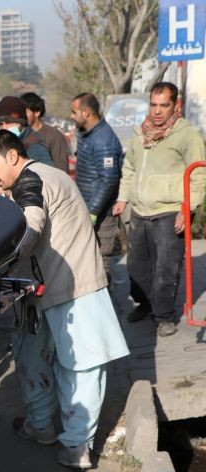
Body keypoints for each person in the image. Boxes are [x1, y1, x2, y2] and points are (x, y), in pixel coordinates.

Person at [0, 129, 129, 469]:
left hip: (74, 289)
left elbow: (31, 225)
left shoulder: (30, 181)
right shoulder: (45, 176)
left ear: (12, 157)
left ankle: (76, 446)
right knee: (31, 355)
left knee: (80, 367)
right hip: (41, 287)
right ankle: (40, 425)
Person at [114, 82, 206, 337]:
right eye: (153, 105)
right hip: (140, 210)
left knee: (166, 268)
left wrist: (187, 209)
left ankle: (164, 316)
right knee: (136, 267)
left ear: (176, 105)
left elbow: (198, 176)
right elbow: (130, 167)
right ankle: (146, 304)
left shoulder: (187, 135)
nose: (157, 111)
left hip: (170, 210)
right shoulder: (140, 132)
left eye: (163, 105)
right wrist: (123, 198)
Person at [70, 92, 124, 282]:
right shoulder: (89, 135)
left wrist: (93, 211)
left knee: (101, 263)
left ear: (86, 113)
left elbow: (108, 179)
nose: (71, 116)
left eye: (74, 112)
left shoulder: (103, 140)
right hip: (90, 208)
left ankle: (106, 308)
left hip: (101, 213)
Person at [0, 96, 53, 167]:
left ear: (21, 122)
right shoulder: (3, 142)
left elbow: (46, 174)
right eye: (0, 124)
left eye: (9, 122)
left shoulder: (35, 145)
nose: (4, 128)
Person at [21, 92, 70, 173]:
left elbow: (62, 169)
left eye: (26, 112)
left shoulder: (54, 136)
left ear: (37, 112)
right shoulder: (21, 135)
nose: (22, 115)